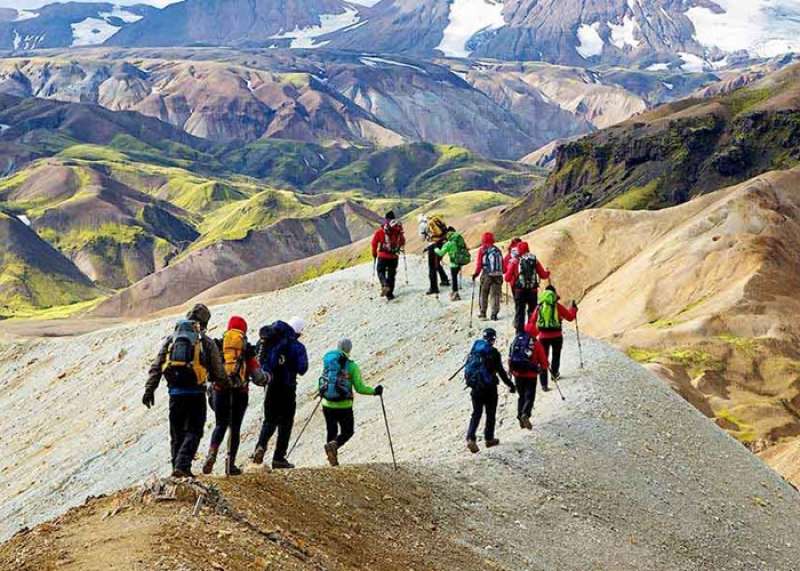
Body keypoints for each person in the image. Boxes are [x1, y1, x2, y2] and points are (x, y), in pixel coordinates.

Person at [143, 304, 227, 478]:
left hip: (174, 394)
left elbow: (157, 366)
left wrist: (149, 389)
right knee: (195, 430)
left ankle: (177, 469)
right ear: (204, 322)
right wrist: (225, 384)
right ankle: (182, 465)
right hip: (196, 394)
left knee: (176, 433)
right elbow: (218, 371)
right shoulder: (205, 341)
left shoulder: (171, 340)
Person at [202, 316, 267, 476]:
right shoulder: (246, 349)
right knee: (235, 428)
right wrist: (267, 378)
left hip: (220, 391)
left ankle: (212, 453)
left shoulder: (217, 345)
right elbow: (258, 377)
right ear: (243, 330)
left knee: (220, 424)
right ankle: (230, 465)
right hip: (240, 393)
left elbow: (208, 370)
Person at [252, 317, 309, 470]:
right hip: (288, 388)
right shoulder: (297, 346)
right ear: (298, 331)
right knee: (286, 423)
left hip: (271, 386)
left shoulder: (270, 342)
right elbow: (303, 368)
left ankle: (260, 446)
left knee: (269, 420)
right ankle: (279, 458)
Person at [319, 338, 383, 467]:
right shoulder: (352, 366)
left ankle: (332, 460)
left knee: (331, 431)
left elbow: (324, 379)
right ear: (350, 349)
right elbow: (360, 388)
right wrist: (375, 391)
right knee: (347, 431)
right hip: (344, 405)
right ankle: (334, 446)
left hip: (327, 403)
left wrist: (321, 393)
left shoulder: (329, 362)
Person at [464, 328, 515, 453]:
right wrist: (511, 385)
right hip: (489, 387)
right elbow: (501, 372)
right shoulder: (494, 353)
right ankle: (489, 438)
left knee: (476, 413)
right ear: (493, 339)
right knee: (490, 413)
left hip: (475, 386)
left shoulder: (475, 349)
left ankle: (471, 437)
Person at [525, 285, 578, 390]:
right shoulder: (557, 306)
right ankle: (554, 374)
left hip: (543, 337)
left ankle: (544, 384)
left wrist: (530, 336)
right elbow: (570, 317)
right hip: (557, 336)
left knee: (543, 359)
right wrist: (574, 309)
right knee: (556, 355)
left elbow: (532, 322)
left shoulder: (539, 306)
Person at [508, 327, 550, 430]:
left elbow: (510, 357)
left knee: (521, 396)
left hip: (518, 374)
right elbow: (544, 361)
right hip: (531, 375)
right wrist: (543, 368)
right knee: (530, 396)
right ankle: (525, 414)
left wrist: (512, 371)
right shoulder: (536, 343)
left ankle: (520, 419)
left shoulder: (516, 341)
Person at [504, 241, 550, 333]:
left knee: (520, 311)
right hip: (532, 290)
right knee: (532, 312)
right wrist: (548, 273)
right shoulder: (534, 259)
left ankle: (519, 332)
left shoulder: (515, 261)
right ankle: (531, 331)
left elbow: (507, 278)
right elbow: (543, 275)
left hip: (519, 291)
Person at [371, 211, 405, 300]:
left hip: (383, 256)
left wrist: (374, 253)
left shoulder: (381, 231)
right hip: (394, 257)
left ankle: (384, 284)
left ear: (386, 219)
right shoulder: (398, 230)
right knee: (391, 274)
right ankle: (390, 295)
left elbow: (374, 243)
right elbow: (402, 242)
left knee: (380, 271)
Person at [472, 232, 504, 320]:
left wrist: (476, 274)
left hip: (486, 274)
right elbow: (503, 264)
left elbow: (479, 265)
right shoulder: (497, 250)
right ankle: (494, 314)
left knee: (484, 293)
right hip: (498, 275)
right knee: (495, 295)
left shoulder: (482, 250)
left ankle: (483, 313)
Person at [435, 226, 471, 301]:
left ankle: (455, 294)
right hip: (460, 262)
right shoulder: (459, 240)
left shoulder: (448, 244)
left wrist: (435, 249)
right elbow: (466, 248)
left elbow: (441, 253)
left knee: (454, 279)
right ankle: (454, 292)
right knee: (455, 277)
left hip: (453, 264)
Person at [420, 214, 450, 295]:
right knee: (437, 262)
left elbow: (422, 239)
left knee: (432, 267)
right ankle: (444, 280)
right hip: (443, 243)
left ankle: (434, 288)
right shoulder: (436, 220)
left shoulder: (424, 225)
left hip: (434, 245)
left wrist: (426, 235)